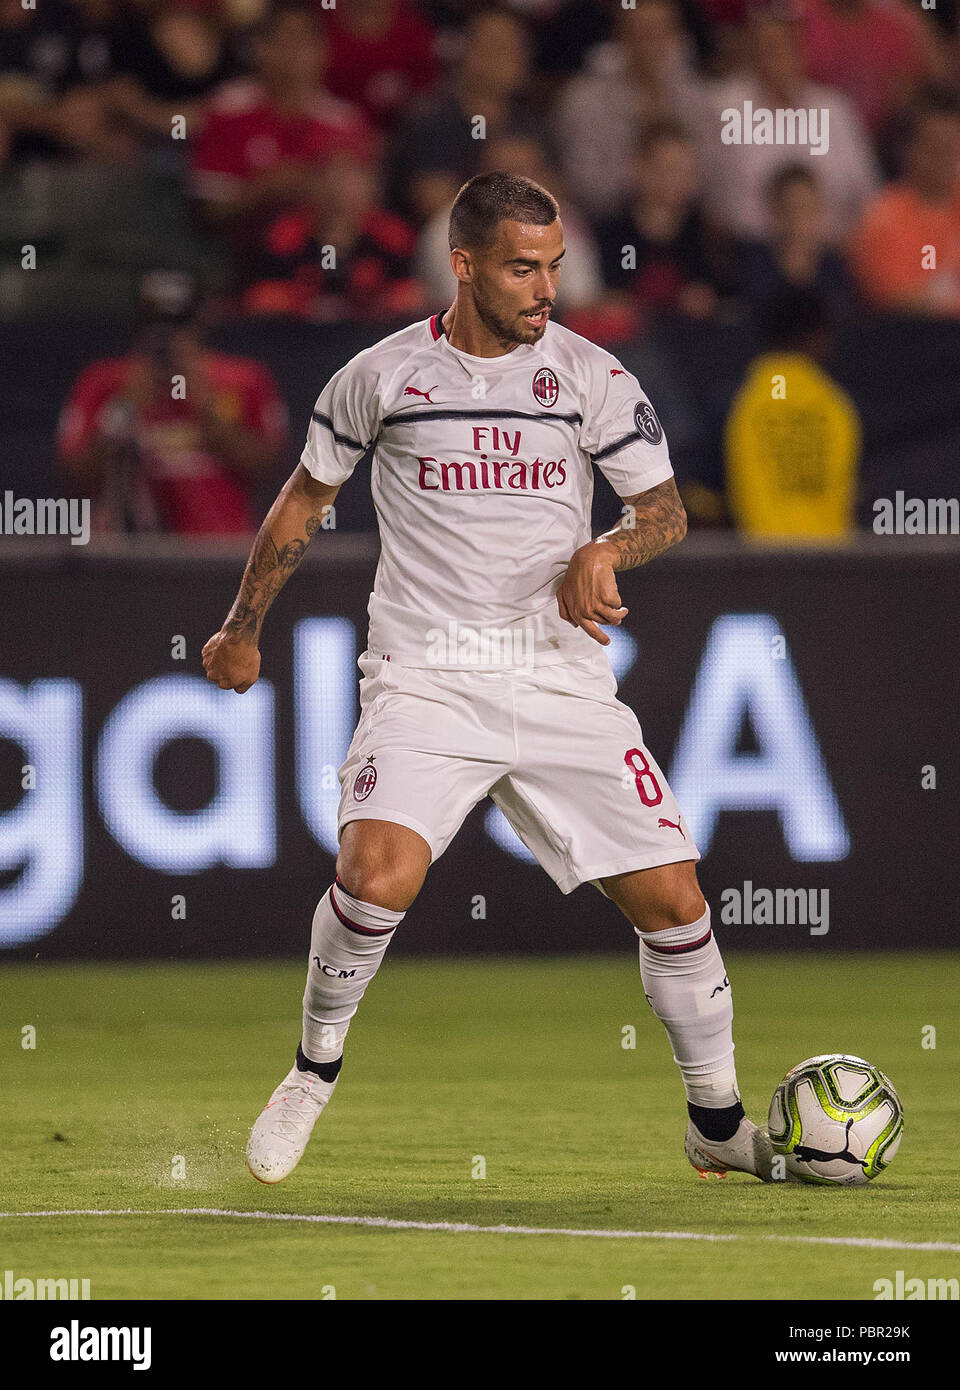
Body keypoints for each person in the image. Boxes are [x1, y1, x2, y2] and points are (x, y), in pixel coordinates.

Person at [202, 172, 776, 1187]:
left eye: (554, 266)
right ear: (462, 265)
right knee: (376, 874)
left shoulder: (595, 377)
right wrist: (243, 627)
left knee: (677, 902)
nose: (545, 288)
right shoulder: (380, 377)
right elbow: (301, 503)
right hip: (429, 674)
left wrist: (607, 550)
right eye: (522, 267)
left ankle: (717, 1120)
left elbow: (667, 514)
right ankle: (311, 1069)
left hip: (558, 678)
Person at [58, 270, 286, 535]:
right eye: (155, 327)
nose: (167, 340)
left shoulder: (243, 379)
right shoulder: (105, 381)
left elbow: (267, 472)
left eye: (178, 326)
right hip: (126, 551)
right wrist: (125, 409)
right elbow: (76, 478)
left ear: (200, 325)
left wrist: (205, 406)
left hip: (222, 549)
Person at [724, 288, 860, 541]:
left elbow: (702, 495)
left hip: (758, 568)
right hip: (834, 565)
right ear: (818, 335)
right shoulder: (836, 404)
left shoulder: (739, 400)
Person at [850, 89, 960, 318]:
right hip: (914, 341)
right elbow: (893, 300)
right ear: (909, 150)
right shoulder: (884, 219)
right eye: (937, 146)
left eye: (954, 145)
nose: (948, 155)